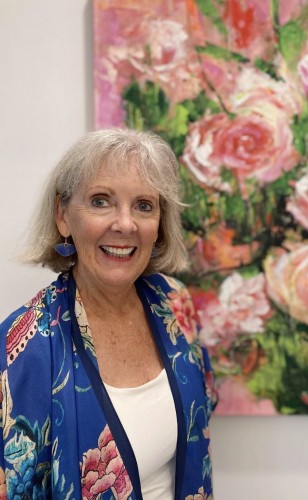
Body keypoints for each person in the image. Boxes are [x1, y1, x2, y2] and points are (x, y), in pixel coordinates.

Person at [0, 129, 217, 499]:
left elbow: (204, 404)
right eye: (101, 201)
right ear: (63, 216)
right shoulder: (22, 347)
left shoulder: (174, 302)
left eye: (144, 206)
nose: (126, 224)